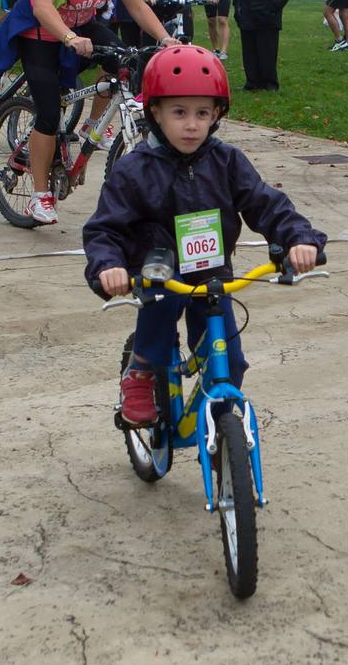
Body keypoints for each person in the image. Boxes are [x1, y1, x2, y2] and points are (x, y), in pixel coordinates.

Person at [82, 45, 327, 427]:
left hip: (211, 273)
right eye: (179, 113)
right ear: (156, 113)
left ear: (216, 115)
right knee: (160, 321)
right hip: (158, 272)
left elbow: (266, 203)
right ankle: (140, 371)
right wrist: (109, 267)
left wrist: (298, 238)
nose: (192, 125)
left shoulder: (226, 161)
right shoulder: (133, 171)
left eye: (202, 113)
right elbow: (106, 228)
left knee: (229, 360)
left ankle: (221, 432)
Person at [6, 0, 181, 224]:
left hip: (83, 24)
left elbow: (136, 4)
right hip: (41, 33)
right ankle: (40, 196)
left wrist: (165, 39)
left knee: (124, 61)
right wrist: (70, 37)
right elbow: (43, 6)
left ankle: (92, 126)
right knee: (47, 111)